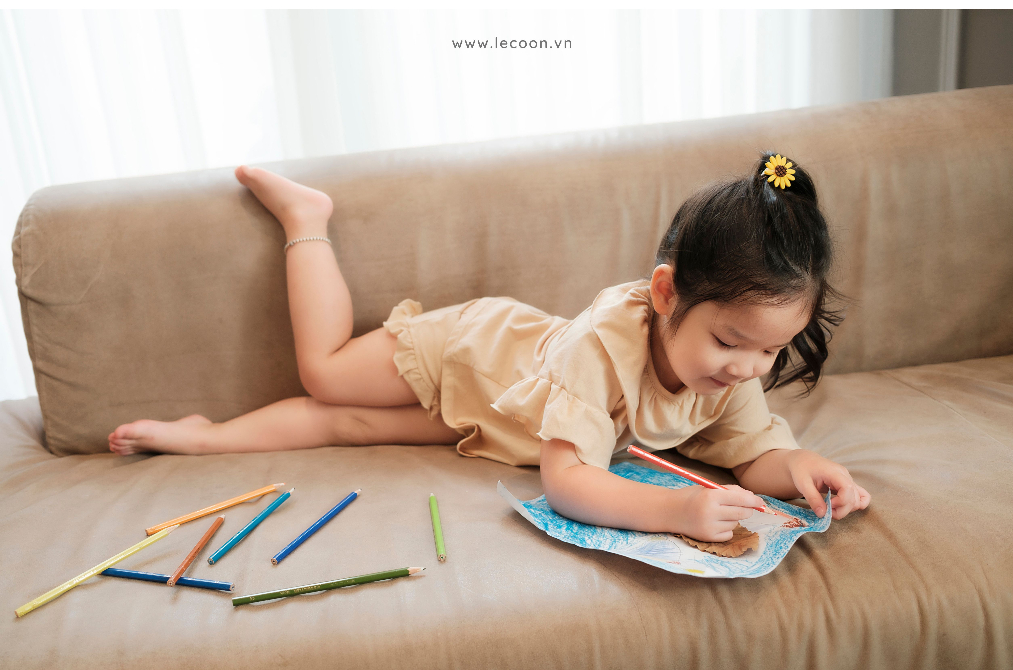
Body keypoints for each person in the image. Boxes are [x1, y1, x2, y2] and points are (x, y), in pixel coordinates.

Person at [109, 153, 871, 543]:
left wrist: (800, 470)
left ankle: (208, 439)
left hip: (495, 416)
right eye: (731, 342)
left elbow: (751, 454)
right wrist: (676, 513)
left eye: (770, 352)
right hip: (473, 354)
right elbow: (570, 484)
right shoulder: (604, 347)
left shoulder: (734, 369)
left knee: (351, 425)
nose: (746, 369)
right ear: (667, 294)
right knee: (326, 375)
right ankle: (306, 220)